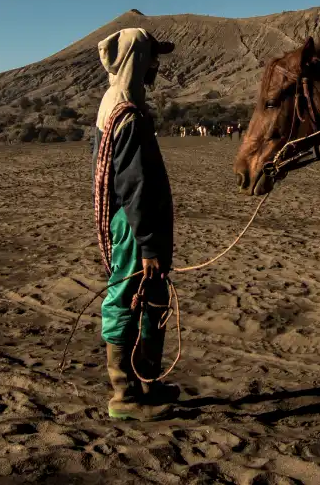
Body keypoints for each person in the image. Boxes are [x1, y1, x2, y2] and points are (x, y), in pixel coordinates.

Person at [92, 27, 179, 420]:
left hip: (137, 223)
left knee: (151, 298)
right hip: (132, 225)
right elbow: (134, 183)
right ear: (137, 60)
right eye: (151, 58)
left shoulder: (124, 103)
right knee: (128, 297)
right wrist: (148, 244)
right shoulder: (124, 110)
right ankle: (123, 395)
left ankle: (148, 381)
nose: (155, 67)